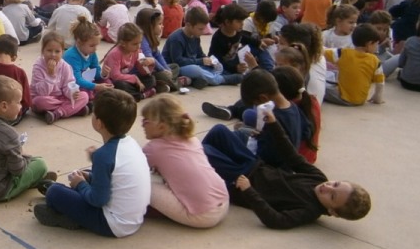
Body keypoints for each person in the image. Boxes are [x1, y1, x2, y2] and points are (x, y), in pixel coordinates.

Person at [202, 112, 371, 230]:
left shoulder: (309, 211)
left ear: (332, 212)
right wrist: (274, 124)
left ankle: (193, 170)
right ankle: (196, 171)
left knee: (205, 151)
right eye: (335, 184)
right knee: (219, 131)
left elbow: (276, 220)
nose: (328, 187)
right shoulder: (319, 178)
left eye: (332, 196)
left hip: (241, 182)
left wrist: (248, 191)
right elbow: (292, 155)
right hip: (254, 164)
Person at [34, 88, 151, 237]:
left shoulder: (103, 155)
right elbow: (114, 179)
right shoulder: (131, 143)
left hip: (112, 224)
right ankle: (71, 202)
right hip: (134, 219)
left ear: (99, 123)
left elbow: (97, 200)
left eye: (94, 113)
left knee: (54, 192)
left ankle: (66, 216)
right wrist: (89, 178)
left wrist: (80, 184)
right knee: (89, 174)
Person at [0, 76, 55, 203]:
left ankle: (32, 178)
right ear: (4, 106)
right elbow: (17, 170)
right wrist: (22, 155)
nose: (20, 106)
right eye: (18, 102)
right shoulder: (8, 134)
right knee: (40, 164)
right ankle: (33, 180)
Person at [142, 96, 229, 228]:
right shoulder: (191, 139)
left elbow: (131, 170)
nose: (142, 125)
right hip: (224, 201)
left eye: (146, 121)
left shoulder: (154, 148)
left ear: (161, 127)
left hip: (204, 216)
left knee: (144, 187)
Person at [164, 6, 242, 89]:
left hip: (192, 64)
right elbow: (178, 61)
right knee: (195, 69)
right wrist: (201, 61)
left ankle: (197, 80)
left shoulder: (195, 36)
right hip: (176, 68)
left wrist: (209, 61)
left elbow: (200, 54)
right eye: (200, 29)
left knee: (215, 66)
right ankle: (221, 79)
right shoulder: (176, 38)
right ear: (188, 25)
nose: (203, 32)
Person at [30, 31, 90, 124]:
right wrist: (50, 76)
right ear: (43, 51)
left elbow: (68, 85)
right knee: (38, 102)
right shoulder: (38, 66)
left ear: (62, 52)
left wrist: (72, 93)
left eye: (57, 51)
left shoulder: (65, 66)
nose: (53, 54)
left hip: (61, 97)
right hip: (45, 98)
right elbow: (42, 92)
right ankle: (73, 110)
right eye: (49, 50)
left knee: (84, 96)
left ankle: (58, 113)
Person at [323, 23, 385, 106]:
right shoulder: (376, 61)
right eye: (376, 44)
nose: (377, 47)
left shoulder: (343, 53)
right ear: (369, 44)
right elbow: (380, 83)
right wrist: (377, 98)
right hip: (360, 100)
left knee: (322, 86)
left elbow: (323, 52)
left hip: (342, 97)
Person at [102, 22, 157, 100]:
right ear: (123, 43)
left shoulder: (136, 51)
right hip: (114, 81)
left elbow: (143, 72)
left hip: (127, 79)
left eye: (140, 43)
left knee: (150, 79)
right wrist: (134, 78)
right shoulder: (114, 54)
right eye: (135, 44)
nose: (138, 46)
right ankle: (141, 95)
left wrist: (150, 63)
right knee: (121, 86)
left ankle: (135, 94)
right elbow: (115, 76)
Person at [64, 17, 112, 99]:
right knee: (83, 91)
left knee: (107, 82)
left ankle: (97, 96)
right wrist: (96, 86)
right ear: (79, 42)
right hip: (70, 82)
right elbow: (77, 80)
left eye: (96, 45)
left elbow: (96, 71)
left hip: (83, 77)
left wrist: (103, 74)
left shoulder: (91, 52)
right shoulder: (71, 56)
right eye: (92, 45)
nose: (95, 49)